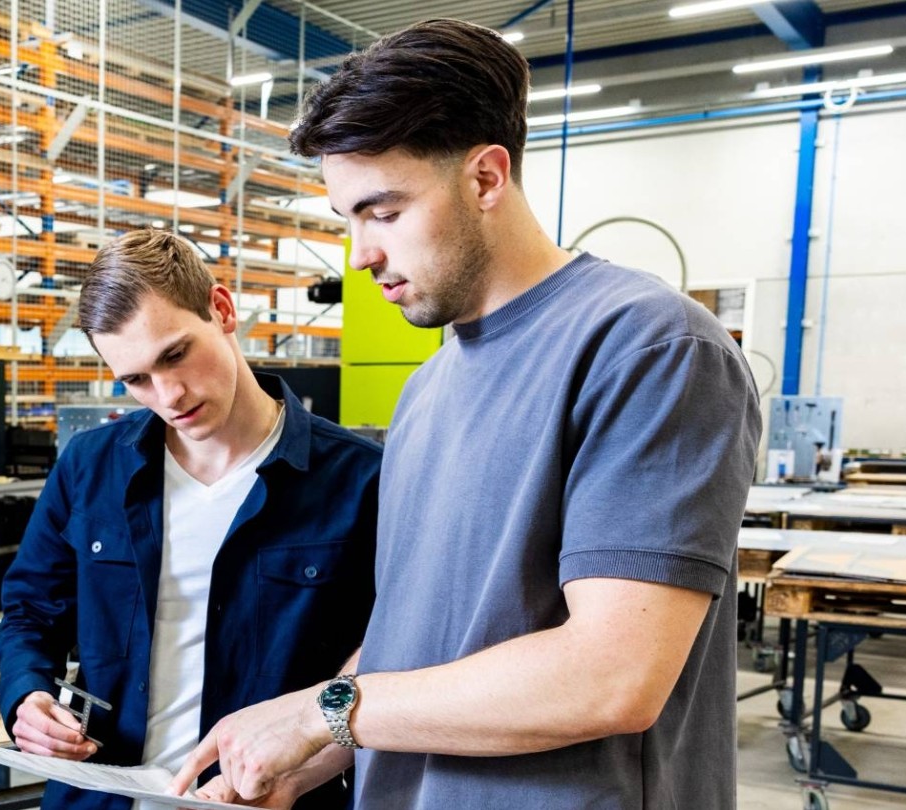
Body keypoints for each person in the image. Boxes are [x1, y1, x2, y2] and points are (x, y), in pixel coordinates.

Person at [170, 18, 761, 809]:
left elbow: (612, 676)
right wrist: (300, 762)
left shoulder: (647, 349)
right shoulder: (430, 389)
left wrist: (321, 712)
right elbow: (412, 643)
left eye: (383, 212)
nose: (360, 253)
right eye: (347, 218)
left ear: (486, 178)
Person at [0, 229, 383, 810]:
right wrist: (27, 697)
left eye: (175, 354)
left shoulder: (360, 482)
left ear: (221, 310)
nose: (168, 394)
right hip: (102, 796)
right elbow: (30, 611)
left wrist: (297, 774)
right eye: (136, 380)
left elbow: (386, 655)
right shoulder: (89, 467)